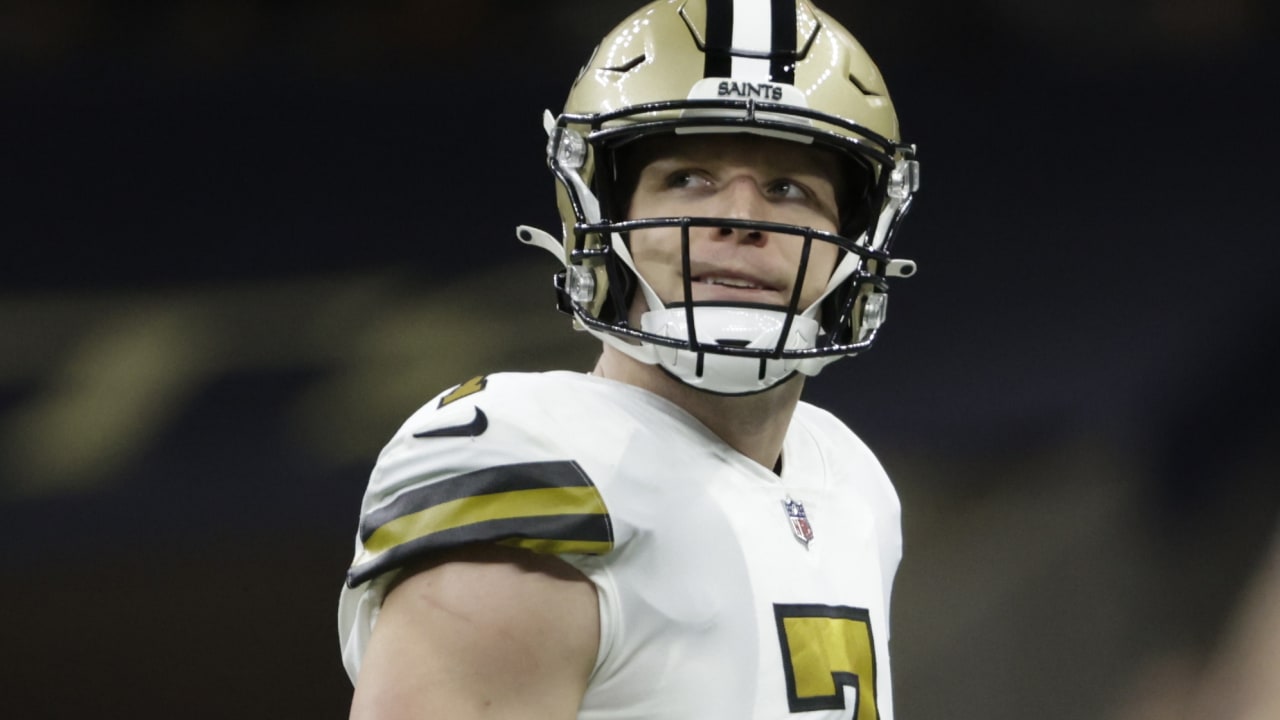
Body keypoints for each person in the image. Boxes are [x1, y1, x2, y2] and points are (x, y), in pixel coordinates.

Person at [337, 0, 921, 717]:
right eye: (688, 178)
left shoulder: (853, 481)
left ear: (854, 241)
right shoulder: (536, 464)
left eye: (787, 188)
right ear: (598, 216)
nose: (740, 218)